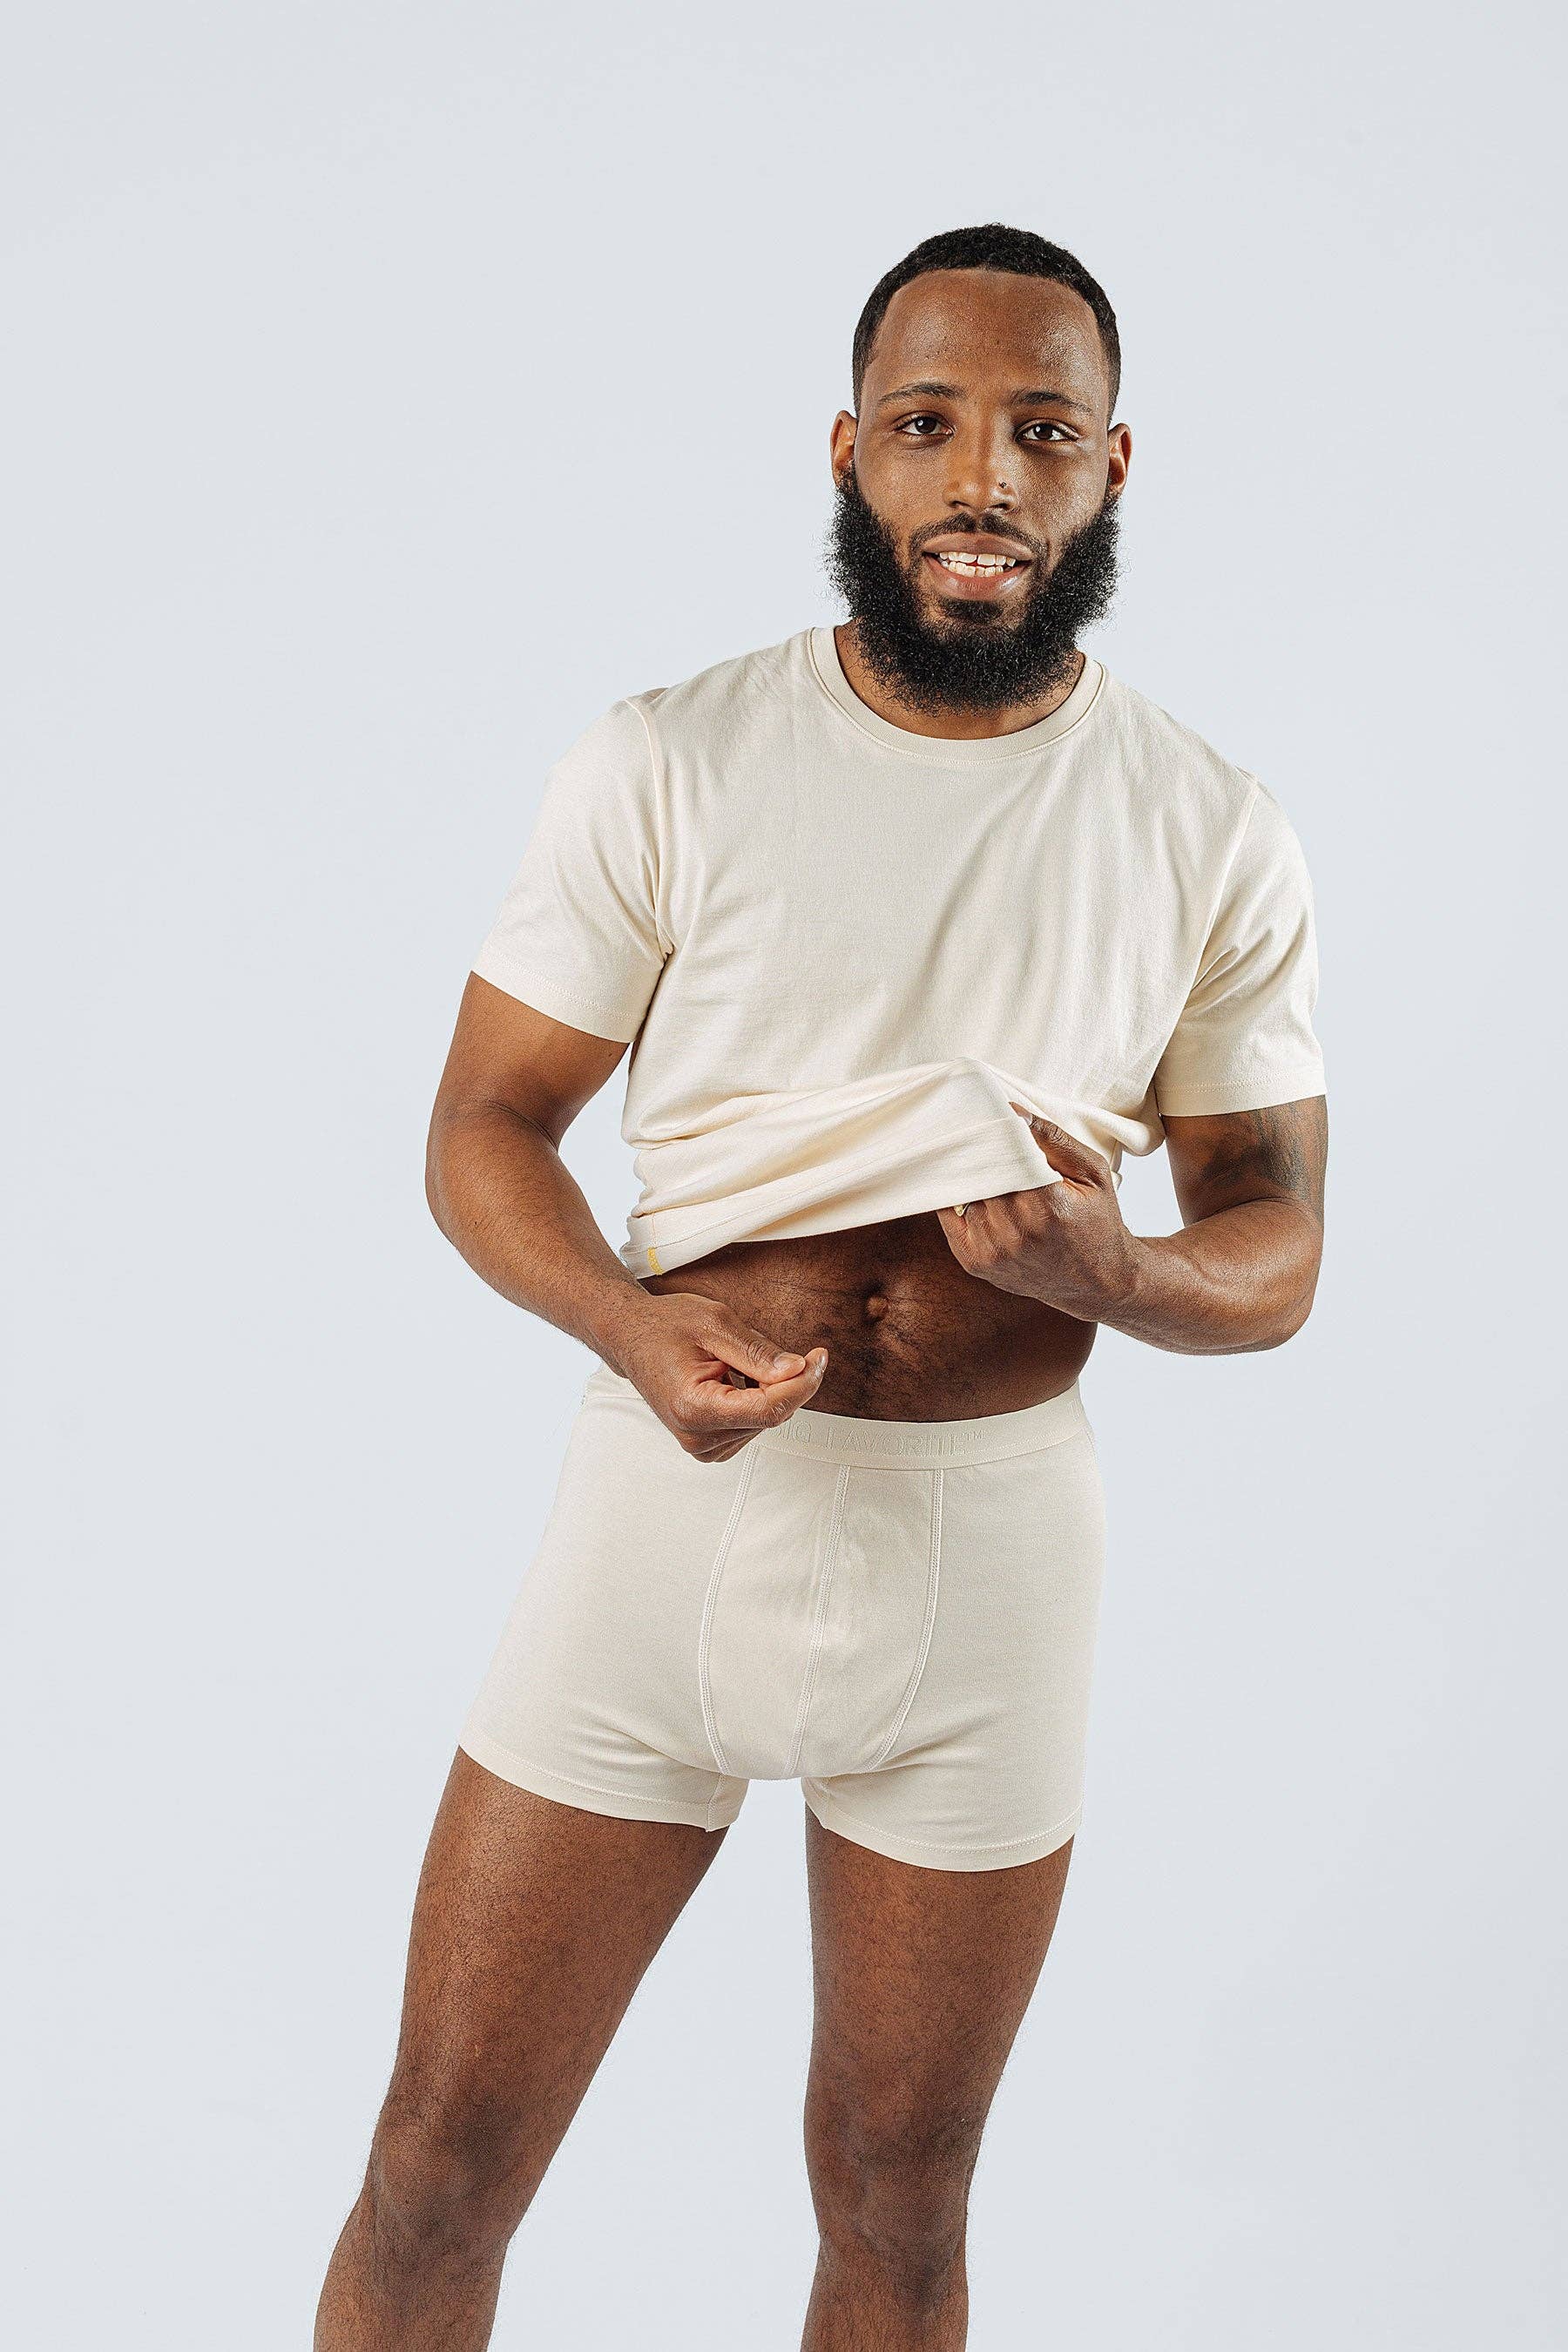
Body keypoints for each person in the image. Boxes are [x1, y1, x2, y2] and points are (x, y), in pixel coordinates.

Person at [314, 221, 1329, 2350]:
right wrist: (625, 1325)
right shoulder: (669, 757)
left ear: (1111, 466)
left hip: (985, 1557)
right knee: (441, 2164)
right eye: (929, 423)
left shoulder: (1210, 824)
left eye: (1039, 431)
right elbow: (483, 1125)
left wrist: (1121, 1269)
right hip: (665, 1521)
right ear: (850, 449)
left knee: (900, 2202)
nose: (982, 476)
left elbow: (1276, 1244)